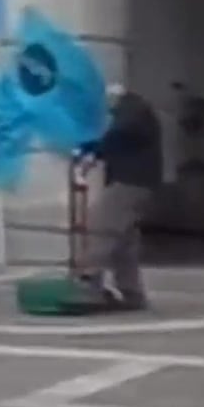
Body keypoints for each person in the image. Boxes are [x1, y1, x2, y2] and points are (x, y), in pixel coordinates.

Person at [73, 84, 163, 310]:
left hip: (130, 183)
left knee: (99, 225)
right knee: (124, 240)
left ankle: (89, 283)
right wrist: (90, 149)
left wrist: (93, 153)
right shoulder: (133, 112)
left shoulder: (133, 110)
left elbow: (119, 133)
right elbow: (118, 137)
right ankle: (132, 293)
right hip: (140, 183)